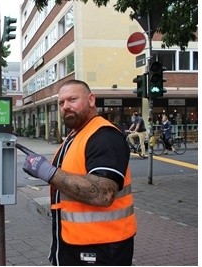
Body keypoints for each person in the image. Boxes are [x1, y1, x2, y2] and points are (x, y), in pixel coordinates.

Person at [16, 79, 137, 266]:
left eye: (72, 99)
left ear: (91, 100)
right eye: (61, 103)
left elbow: (104, 193)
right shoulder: (77, 134)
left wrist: (48, 172)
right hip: (76, 245)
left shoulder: (104, 136)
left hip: (102, 249)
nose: (65, 107)